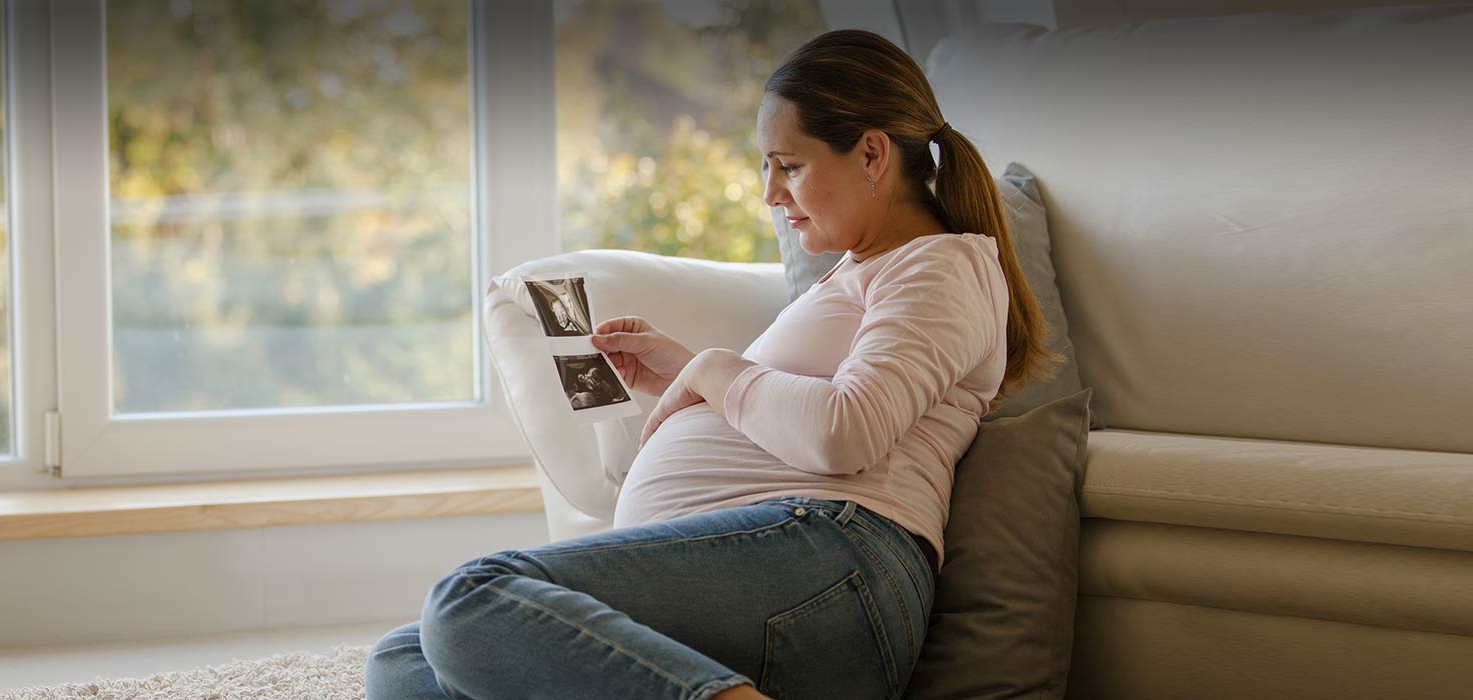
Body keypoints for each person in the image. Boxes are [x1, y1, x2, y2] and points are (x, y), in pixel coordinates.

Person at [366, 29, 1063, 700]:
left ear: (873, 155)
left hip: (836, 569)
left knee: (471, 597)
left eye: (789, 165)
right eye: (766, 167)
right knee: (404, 658)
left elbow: (845, 431)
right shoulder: (864, 270)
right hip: (766, 578)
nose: (769, 194)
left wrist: (708, 370)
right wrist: (677, 376)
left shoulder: (939, 266)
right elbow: (781, 413)